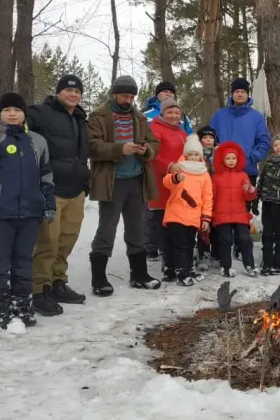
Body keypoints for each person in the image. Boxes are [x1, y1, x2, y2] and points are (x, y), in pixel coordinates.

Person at [0, 74, 90, 317]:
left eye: (77, 91)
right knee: (48, 242)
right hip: (52, 189)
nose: (72, 95)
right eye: (67, 91)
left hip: (77, 190)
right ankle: (38, 290)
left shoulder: (81, 119)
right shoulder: (43, 112)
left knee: (66, 241)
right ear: (58, 92)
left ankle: (57, 282)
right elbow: (13, 116)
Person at [0, 92, 55, 329]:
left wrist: (49, 205)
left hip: (30, 214)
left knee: (23, 262)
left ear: (24, 113)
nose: (12, 114)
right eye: (7, 110)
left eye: (17, 110)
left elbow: (46, 177)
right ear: (0, 114)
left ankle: (21, 303)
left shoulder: (38, 142)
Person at [87, 75, 161, 297]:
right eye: (124, 95)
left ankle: (139, 275)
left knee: (136, 227)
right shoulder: (99, 116)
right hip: (112, 180)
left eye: (131, 96)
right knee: (107, 228)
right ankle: (98, 278)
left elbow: (154, 142)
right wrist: (120, 149)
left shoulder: (139, 117)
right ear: (114, 94)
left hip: (137, 179)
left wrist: (145, 149)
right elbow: (92, 146)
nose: (128, 100)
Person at [161, 134, 213, 286]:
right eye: (189, 154)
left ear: (200, 156)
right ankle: (182, 272)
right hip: (176, 214)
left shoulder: (204, 174)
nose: (193, 157)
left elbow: (207, 197)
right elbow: (167, 182)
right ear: (185, 155)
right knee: (181, 245)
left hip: (194, 217)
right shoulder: (179, 168)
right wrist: (175, 178)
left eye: (196, 154)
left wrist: (206, 218)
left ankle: (188, 269)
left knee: (190, 244)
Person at [146, 97, 187, 276]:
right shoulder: (155, 129)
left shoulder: (182, 131)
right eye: (169, 112)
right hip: (160, 182)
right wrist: (168, 166)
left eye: (177, 112)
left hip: (179, 183)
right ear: (162, 113)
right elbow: (151, 156)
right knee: (163, 223)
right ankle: (168, 262)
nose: (173, 115)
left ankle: (179, 259)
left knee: (178, 224)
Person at [209, 78, 271, 184]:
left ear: (247, 94)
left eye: (243, 92)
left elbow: (264, 141)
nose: (240, 94)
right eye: (237, 91)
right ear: (232, 94)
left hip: (247, 170)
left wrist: (253, 157)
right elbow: (209, 138)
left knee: (245, 200)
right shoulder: (220, 115)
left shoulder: (256, 117)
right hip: (223, 171)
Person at [212, 142, 259, 277]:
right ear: (222, 159)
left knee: (244, 239)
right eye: (228, 158)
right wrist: (211, 214)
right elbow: (212, 196)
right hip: (222, 214)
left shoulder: (243, 175)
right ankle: (225, 266)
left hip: (239, 214)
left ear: (238, 159)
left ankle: (249, 265)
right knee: (225, 240)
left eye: (233, 158)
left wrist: (249, 190)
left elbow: (250, 196)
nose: (231, 161)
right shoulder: (216, 177)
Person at [256, 133, 280, 276]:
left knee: (279, 234)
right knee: (267, 233)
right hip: (267, 203)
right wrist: (257, 197)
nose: (278, 147)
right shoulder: (268, 163)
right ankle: (267, 262)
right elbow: (262, 181)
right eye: (276, 145)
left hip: (279, 205)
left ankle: (279, 262)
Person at [194, 124, 218, 271]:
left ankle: (216, 253)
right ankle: (202, 252)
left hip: (217, 193)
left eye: (211, 138)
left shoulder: (219, 153)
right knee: (203, 225)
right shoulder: (196, 154)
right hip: (200, 193)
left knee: (216, 224)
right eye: (205, 137)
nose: (208, 140)